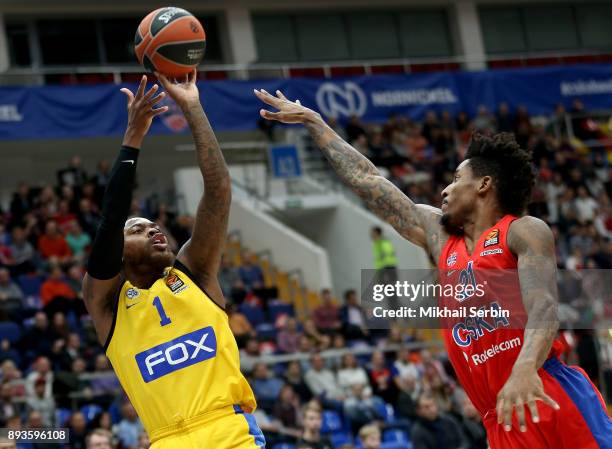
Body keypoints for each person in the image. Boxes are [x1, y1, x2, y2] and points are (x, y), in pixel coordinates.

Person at [254, 89, 612, 448]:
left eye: (457, 179)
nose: (445, 189)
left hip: (544, 388)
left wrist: (524, 368)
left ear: (485, 185)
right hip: (500, 415)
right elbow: (369, 180)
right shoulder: (441, 238)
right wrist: (315, 124)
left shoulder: (522, 230)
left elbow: (544, 307)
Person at [82, 72, 263, 449]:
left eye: (153, 225)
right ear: (118, 246)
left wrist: (193, 108)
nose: (151, 230)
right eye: (137, 230)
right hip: (167, 440)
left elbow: (218, 191)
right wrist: (133, 137)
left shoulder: (194, 271)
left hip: (230, 431)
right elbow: (110, 220)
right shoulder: (107, 304)